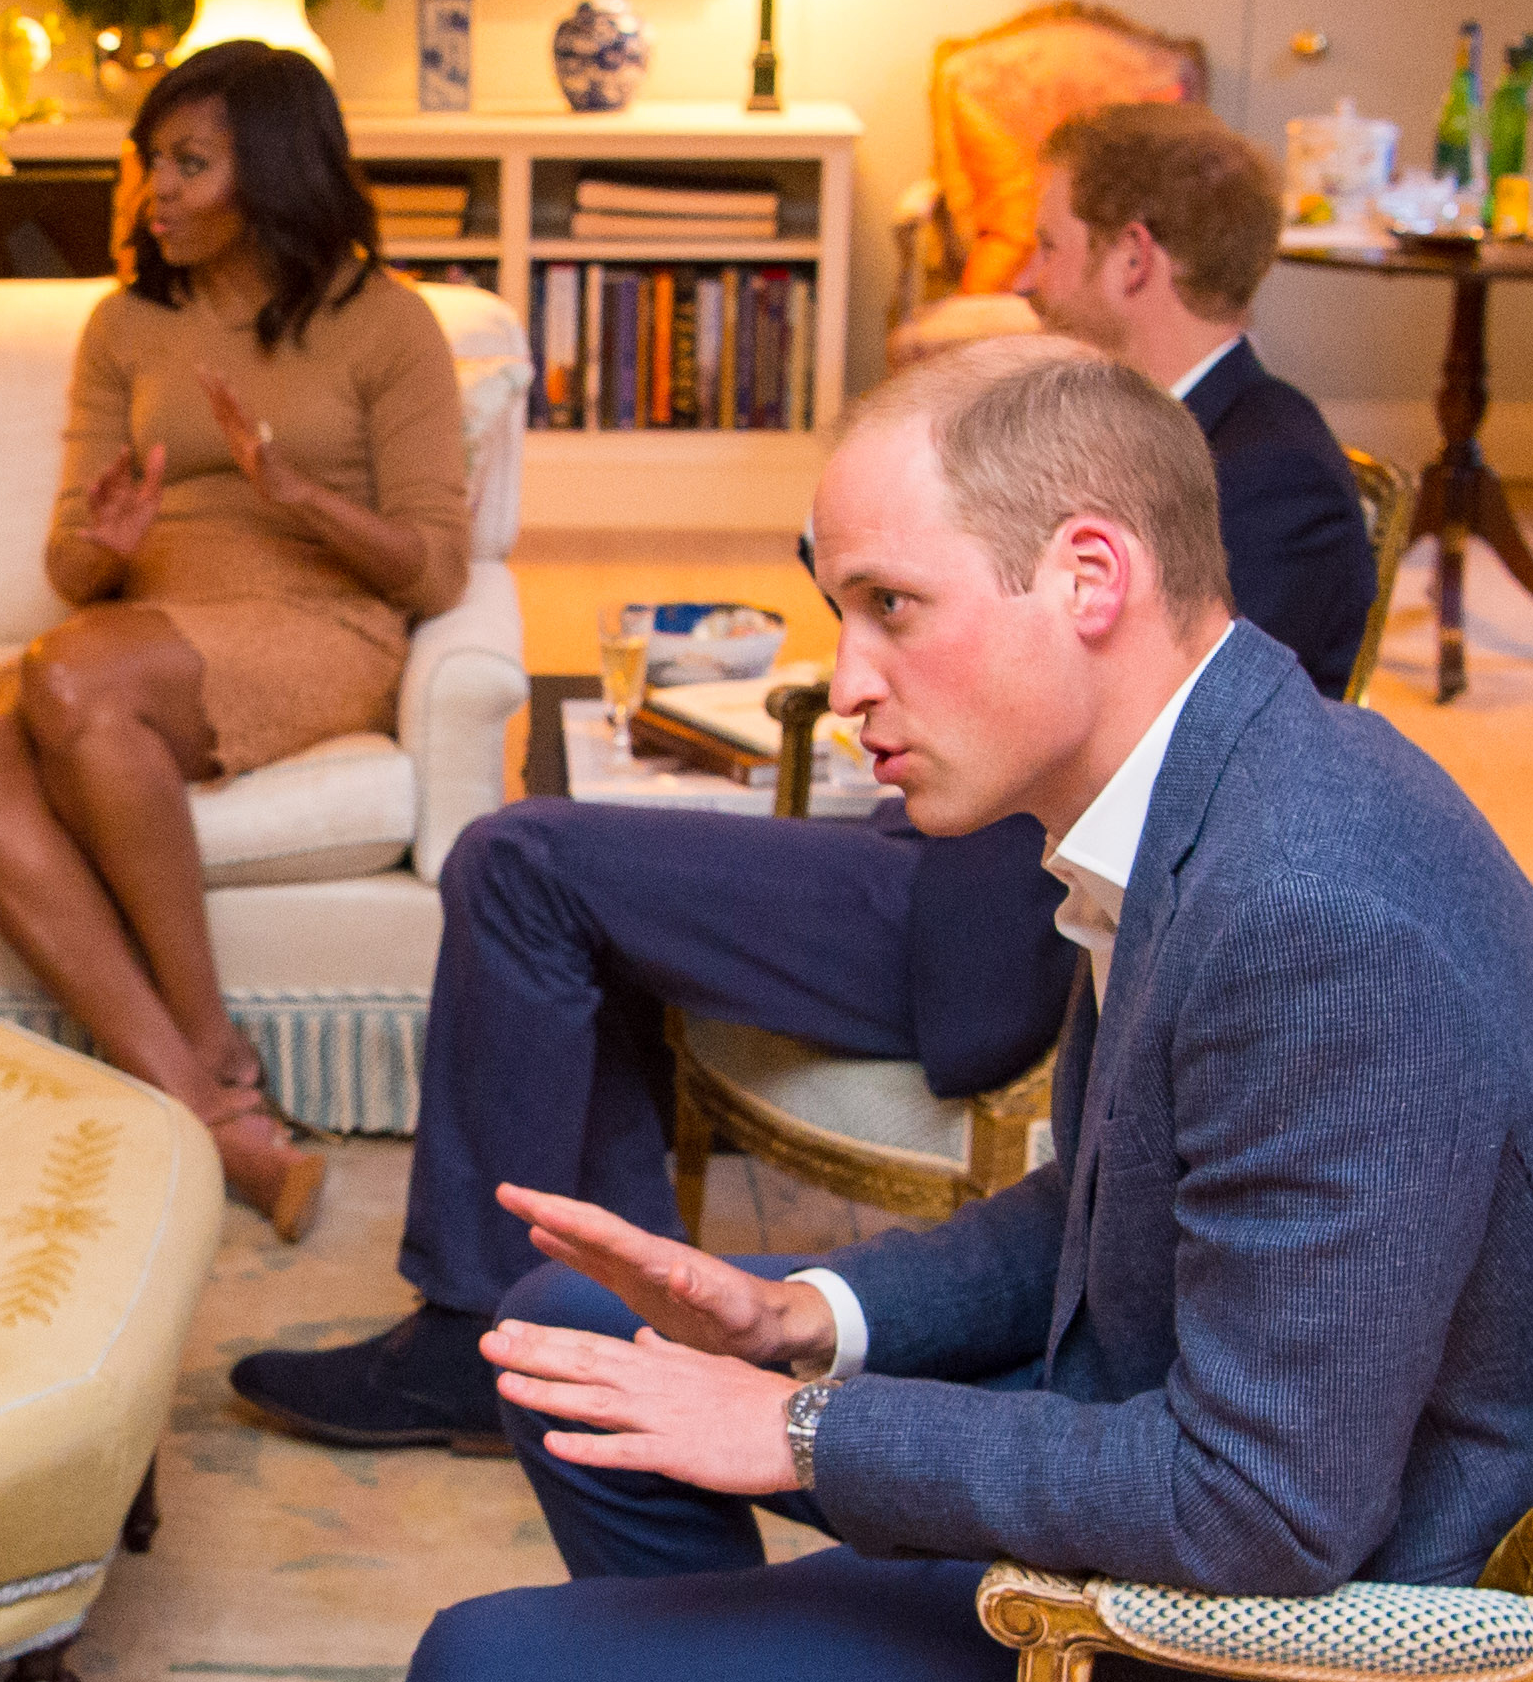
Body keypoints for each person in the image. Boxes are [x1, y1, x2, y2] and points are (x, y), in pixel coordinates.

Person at [389, 340, 1533, 1682]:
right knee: (559, 1335)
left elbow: (1262, 1507)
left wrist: (804, 1431)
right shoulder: (1212, 786)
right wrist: (807, 1314)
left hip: (1271, 1660)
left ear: (1089, 577)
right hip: (1176, 1441)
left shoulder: (1313, 912)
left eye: (892, 607)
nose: (849, 683)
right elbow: (1102, 1209)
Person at [232, 98, 1373, 1452]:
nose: (1027, 276)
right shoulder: (1117, 425)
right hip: (934, 846)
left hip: (993, 904)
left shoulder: (1273, 475)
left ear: (1136, 257)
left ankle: (482, 1338)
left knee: (519, 855)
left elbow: (1184, 782)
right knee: (574, 855)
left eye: (1053, 244)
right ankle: (600, 1325)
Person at [0, 40, 471, 1244]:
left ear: (271, 169)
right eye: (147, 163)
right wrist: (106, 544)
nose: (151, 191)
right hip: (137, 635)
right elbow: (71, 566)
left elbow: (436, 568)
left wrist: (298, 495)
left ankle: (213, 1045)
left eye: (188, 162)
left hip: (316, 625)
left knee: (68, 674)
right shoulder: (127, 325)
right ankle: (208, 1111)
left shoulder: (389, 326)